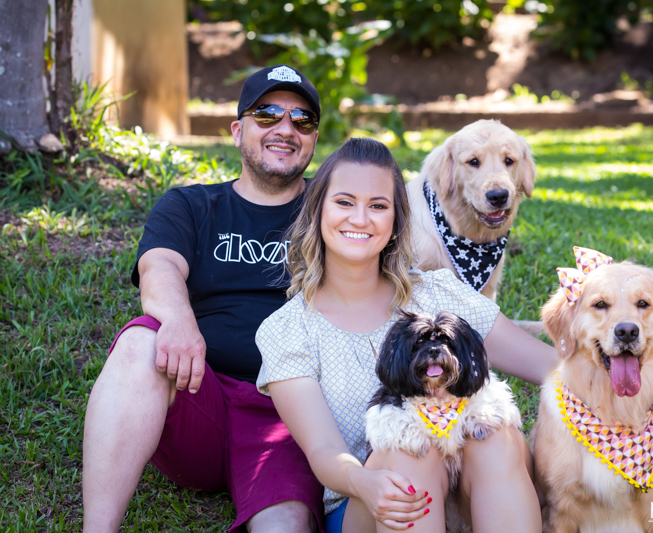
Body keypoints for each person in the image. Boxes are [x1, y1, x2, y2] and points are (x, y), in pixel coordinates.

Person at [255, 138, 560, 533]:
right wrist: (364, 482)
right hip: (372, 499)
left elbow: (555, 371)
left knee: (494, 435)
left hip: (473, 492)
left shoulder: (438, 293)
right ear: (317, 211)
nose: (361, 219)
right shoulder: (288, 330)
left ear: (397, 219)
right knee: (409, 449)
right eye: (344, 202)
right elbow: (324, 450)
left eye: (378, 206)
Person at [82, 65, 328, 533]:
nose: (286, 129)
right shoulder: (191, 205)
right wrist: (179, 321)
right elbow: (159, 266)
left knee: (287, 523)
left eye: (302, 120)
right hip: (200, 395)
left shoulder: (333, 209)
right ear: (237, 130)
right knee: (139, 343)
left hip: (290, 414)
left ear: (314, 139)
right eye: (267, 114)